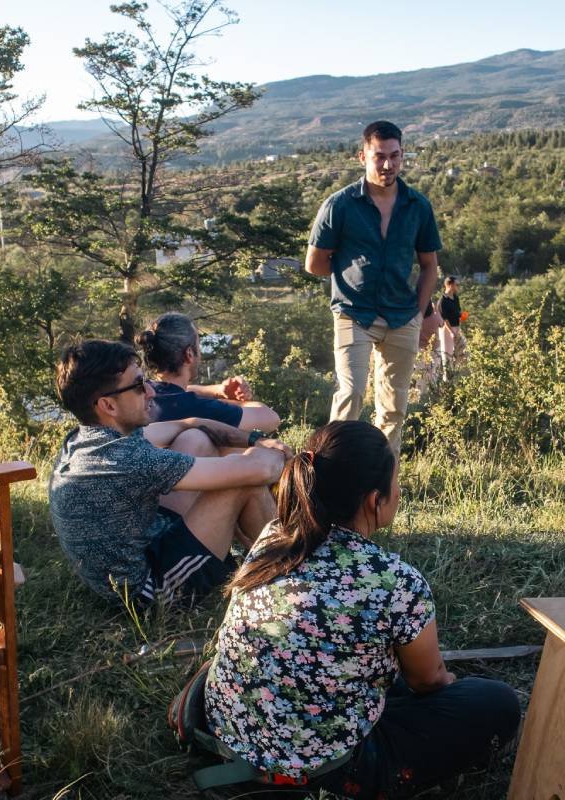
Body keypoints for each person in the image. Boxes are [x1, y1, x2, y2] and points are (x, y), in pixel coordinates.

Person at [204, 420, 520, 799]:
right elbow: (428, 681)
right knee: (494, 702)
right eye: (396, 482)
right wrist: (448, 689)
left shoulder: (274, 536)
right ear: (375, 499)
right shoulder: (394, 581)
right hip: (323, 773)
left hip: (231, 739)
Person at [48, 339, 292, 605]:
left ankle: (255, 556)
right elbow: (261, 469)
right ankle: (291, 576)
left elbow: (190, 423)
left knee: (195, 439)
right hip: (146, 591)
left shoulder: (86, 439)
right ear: (108, 405)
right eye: (139, 385)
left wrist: (254, 441)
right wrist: (280, 453)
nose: (151, 391)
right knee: (246, 482)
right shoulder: (128, 459)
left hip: (143, 542)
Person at [305, 120, 442, 456]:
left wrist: (419, 315)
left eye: (394, 156)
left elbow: (429, 266)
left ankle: (382, 480)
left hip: (401, 316)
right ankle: (328, 470)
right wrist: (350, 278)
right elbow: (315, 264)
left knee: (394, 408)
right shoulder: (339, 205)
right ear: (362, 156)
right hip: (354, 313)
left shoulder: (417, 206)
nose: (388, 164)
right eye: (379, 156)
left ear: (402, 156)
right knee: (351, 395)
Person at [136, 312, 280, 432]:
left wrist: (216, 390)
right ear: (189, 354)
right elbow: (271, 418)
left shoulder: (140, 392)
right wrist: (231, 402)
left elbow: (176, 390)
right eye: (198, 345)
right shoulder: (196, 407)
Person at [438, 275, 465, 379]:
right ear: (449, 285)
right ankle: (447, 381)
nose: (458, 286)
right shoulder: (442, 300)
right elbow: (444, 319)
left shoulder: (456, 298)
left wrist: (458, 328)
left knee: (462, 351)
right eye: (456, 284)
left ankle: (458, 377)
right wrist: (451, 332)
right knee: (447, 355)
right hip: (446, 329)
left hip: (457, 328)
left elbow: (459, 313)